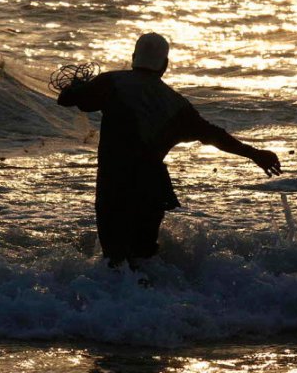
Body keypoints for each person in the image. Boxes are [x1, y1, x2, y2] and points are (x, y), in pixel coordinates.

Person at [57, 32, 282, 269]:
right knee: (144, 257)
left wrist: (76, 87)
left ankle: (120, 302)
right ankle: (158, 300)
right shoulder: (177, 104)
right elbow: (215, 136)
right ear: (165, 65)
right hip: (151, 187)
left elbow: (69, 100)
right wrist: (256, 154)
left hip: (115, 184)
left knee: (115, 260)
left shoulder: (112, 82)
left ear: (133, 58)